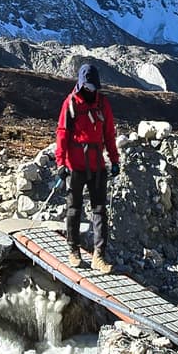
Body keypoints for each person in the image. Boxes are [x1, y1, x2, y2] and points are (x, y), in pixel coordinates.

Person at [55, 63, 120, 273]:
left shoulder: (103, 104)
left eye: (93, 86)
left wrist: (114, 160)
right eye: (87, 86)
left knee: (99, 210)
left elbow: (109, 134)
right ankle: (73, 250)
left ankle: (99, 256)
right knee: (74, 209)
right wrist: (60, 163)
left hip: (97, 165)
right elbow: (62, 133)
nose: (90, 90)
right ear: (81, 83)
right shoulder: (71, 103)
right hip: (75, 165)